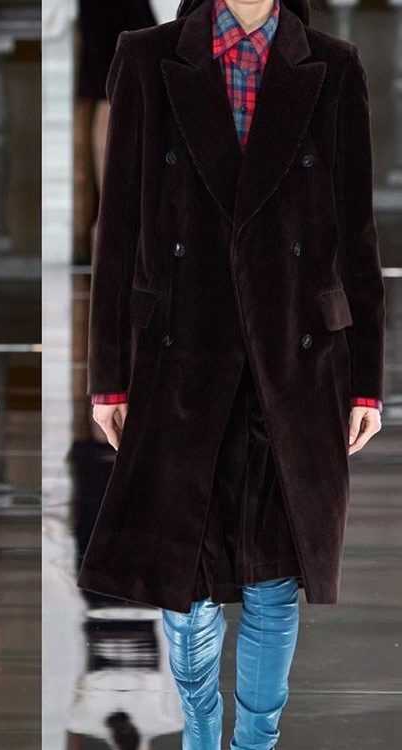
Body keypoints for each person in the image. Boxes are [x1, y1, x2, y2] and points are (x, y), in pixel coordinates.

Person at [80, 0, 384, 747]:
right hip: (182, 351)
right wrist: (109, 376)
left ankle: (254, 741)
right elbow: (118, 223)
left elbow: (356, 231)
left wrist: (367, 382)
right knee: (184, 573)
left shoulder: (333, 66)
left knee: (275, 576)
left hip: (295, 356)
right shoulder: (147, 58)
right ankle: (199, 723)